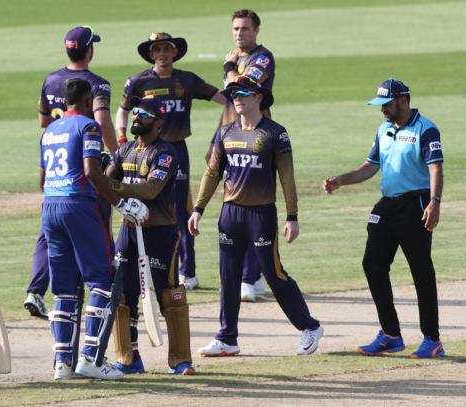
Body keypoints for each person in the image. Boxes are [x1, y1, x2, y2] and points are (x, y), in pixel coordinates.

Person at [189, 77, 324, 357]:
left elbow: (286, 177)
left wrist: (292, 215)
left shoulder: (275, 133)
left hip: (261, 214)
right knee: (229, 276)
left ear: (258, 97)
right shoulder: (226, 132)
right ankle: (227, 338)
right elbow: (213, 173)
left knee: (274, 274)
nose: (236, 97)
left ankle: (310, 327)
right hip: (230, 214)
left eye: (243, 93)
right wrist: (198, 209)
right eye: (232, 93)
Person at [323, 78, 445, 359]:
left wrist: (435, 203)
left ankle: (432, 339)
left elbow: (435, 169)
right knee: (372, 264)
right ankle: (391, 334)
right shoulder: (384, 129)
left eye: (387, 104)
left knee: (421, 271)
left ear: (403, 100)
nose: (382, 109)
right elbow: (370, 167)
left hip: (417, 204)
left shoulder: (426, 129)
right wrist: (342, 180)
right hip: (387, 206)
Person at [42, 78, 148, 380]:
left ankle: (62, 363)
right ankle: (91, 359)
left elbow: (42, 179)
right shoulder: (89, 127)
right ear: (89, 102)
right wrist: (119, 203)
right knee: (102, 279)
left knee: (63, 286)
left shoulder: (50, 130)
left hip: (50, 205)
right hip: (78, 206)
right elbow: (90, 172)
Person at [116, 32, 226, 291]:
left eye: (167, 49)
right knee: (145, 206)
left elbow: (227, 101)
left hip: (176, 150)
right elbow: (122, 111)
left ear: (175, 52)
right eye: (157, 49)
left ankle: (188, 273)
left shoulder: (187, 80)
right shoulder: (138, 81)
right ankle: (152, 270)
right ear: (151, 54)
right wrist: (121, 139)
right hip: (144, 150)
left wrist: (217, 140)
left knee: (181, 210)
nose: (162, 54)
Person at [24, 25, 118, 318]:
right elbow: (101, 123)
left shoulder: (51, 80)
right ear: (89, 50)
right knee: (99, 227)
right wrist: (118, 155)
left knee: (49, 231)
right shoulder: (97, 84)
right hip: (85, 168)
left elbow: (43, 121)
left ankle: (36, 290)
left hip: (54, 162)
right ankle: (109, 293)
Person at [106, 96, 195, 376]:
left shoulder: (165, 153)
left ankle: (180, 360)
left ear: (158, 122)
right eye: (135, 111)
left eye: (144, 113)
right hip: (129, 231)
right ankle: (128, 359)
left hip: (161, 233)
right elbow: (105, 183)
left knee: (169, 294)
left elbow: (150, 190)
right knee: (121, 294)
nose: (136, 116)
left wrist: (111, 184)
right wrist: (103, 179)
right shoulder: (124, 150)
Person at [218, 9, 276, 301]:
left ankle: (251, 278)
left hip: (258, 138)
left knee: (253, 202)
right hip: (233, 136)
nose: (239, 33)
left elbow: (240, 84)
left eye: (245, 28)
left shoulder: (262, 57)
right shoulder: (238, 58)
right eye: (236, 28)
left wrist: (229, 67)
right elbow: (228, 100)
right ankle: (252, 275)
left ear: (256, 30)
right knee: (236, 202)